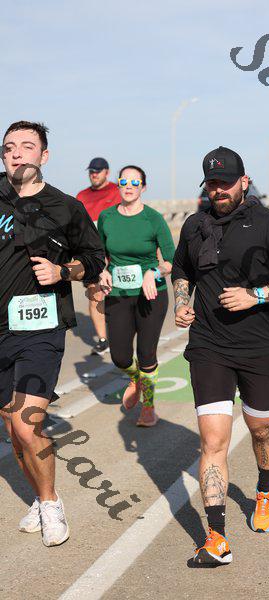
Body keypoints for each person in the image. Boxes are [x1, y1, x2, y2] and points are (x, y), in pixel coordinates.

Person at [172, 146, 269, 565]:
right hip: (208, 346)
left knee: (261, 429)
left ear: (244, 181)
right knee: (213, 441)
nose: (218, 190)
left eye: (226, 182)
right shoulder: (195, 226)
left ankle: (265, 488)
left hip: (258, 347)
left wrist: (257, 295)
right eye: (212, 183)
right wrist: (181, 302)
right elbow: (182, 270)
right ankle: (216, 539)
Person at [0, 121, 105, 546]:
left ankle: (49, 502)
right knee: (12, 430)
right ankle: (39, 496)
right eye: (9, 147)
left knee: (27, 425)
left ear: (44, 156)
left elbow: (94, 259)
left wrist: (63, 271)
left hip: (39, 327)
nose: (16, 153)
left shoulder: (65, 207)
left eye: (27, 146)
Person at [98, 165, 175, 427]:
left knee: (146, 353)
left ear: (143, 187)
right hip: (118, 294)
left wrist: (154, 272)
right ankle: (135, 378)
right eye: (124, 182)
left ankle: (149, 407)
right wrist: (102, 271)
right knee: (120, 356)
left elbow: (172, 261)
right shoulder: (107, 217)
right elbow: (98, 254)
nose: (128, 186)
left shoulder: (153, 219)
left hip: (151, 295)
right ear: (118, 185)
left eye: (135, 182)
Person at [77, 158, 120, 355]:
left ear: (106, 172)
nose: (94, 174)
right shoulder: (82, 196)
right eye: (91, 171)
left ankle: (122, 332)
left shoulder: (117, 191)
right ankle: (103, 340)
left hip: (115, 252)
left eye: (98, 171)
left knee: (116, 295)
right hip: (91, 253)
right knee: (95, 293)